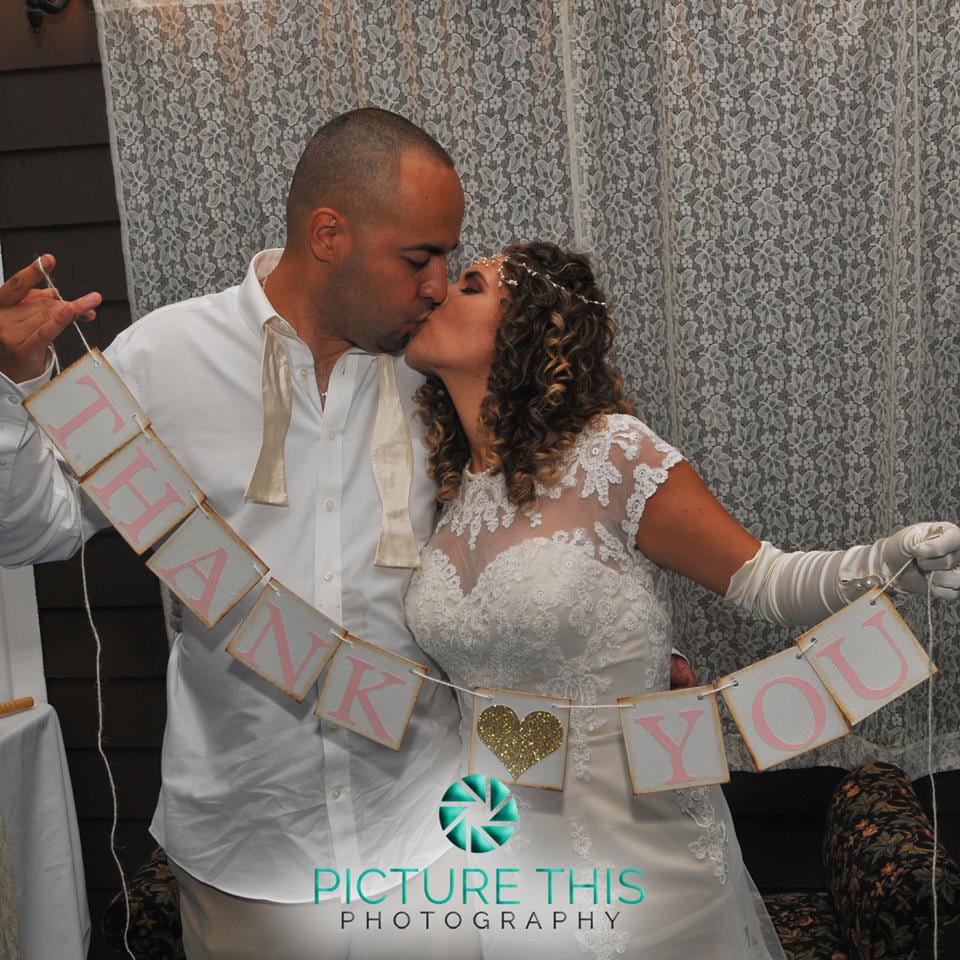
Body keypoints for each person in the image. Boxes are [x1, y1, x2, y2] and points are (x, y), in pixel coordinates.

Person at [401, 240, 960, 959]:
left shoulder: (611, 456)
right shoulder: (442, 489)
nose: (436, 290)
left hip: (644, 863)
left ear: (529, 331)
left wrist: (887, 562)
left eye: (470, 284)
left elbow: (766, 579)